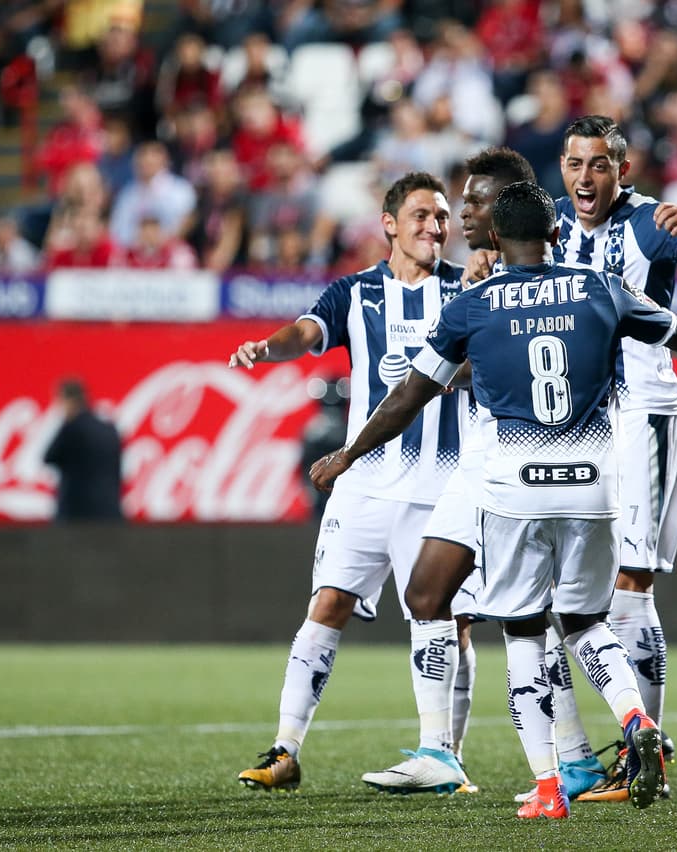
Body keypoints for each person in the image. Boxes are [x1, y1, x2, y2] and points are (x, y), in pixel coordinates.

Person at [311, 181, 677, 819]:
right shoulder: (598, 287)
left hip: (513, 493)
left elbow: (409, 395)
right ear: (555, 233)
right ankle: (636, 720)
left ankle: (549, 788)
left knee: (523, 632)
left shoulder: (473, 306)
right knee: (587, 623)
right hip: (594, 488)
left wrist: (349, 453)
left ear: (495, 238)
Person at [467, 115, 677, 803]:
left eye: (598, 164)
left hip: (645, 411)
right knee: (573, 601)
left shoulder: (651, 222)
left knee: (631, 586)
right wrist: (482, 265)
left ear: (622, 169)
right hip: (585, 426)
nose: (584, 177)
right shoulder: (553, 224)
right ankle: (604, 751)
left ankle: (645, 751)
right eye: (574, 163)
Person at [228, 172, 472, 794]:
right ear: (389, 224)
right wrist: (265, 347)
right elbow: (305, 332)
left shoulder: (467, 290)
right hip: (364, 484)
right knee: (326, 606)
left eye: (442, 217)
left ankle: (443, 752)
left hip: (439, 488)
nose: (435, 227)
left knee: (443, 618)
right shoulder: (355, 292)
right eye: (421, 215)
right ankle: (285, 749)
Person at [358, 147, 538, 795]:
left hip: (521, 467)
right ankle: (442, 751)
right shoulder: (495, 281)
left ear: (508, 209)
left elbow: (428, 384)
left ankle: (579, 755)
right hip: (498, 467)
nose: (459, 217)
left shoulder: (508, 285)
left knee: (543, 620)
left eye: (474, 203)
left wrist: (348, 454)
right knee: (437, 601)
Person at [42, 379, 124, 522]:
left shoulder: (72, 428)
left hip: (77, 515)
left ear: (68, 401)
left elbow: (49, 457)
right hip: (110, 513)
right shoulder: (110, 429)